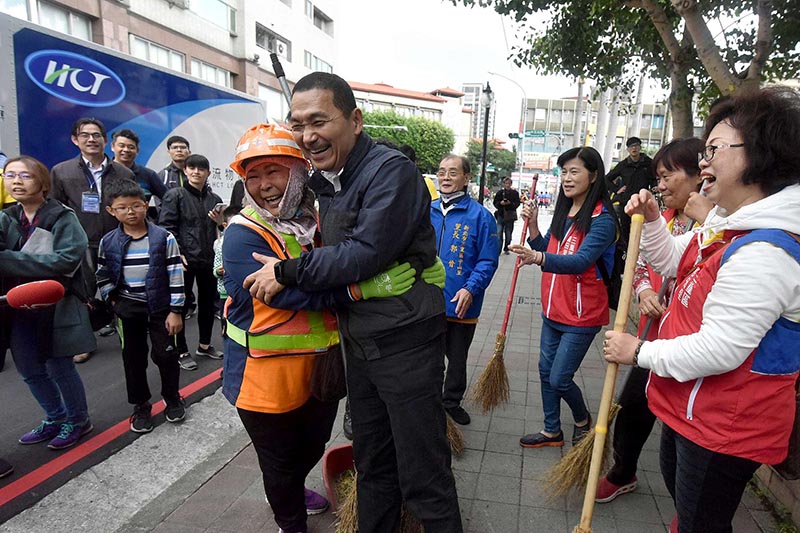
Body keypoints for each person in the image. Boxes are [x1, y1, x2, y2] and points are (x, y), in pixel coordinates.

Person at [241, 72, 462, 532]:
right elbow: (331, 252)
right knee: (372, 464)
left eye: (319, 121)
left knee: (424, 474)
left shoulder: (389, 171)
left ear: (355, 120)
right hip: (359, 344)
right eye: (297, 124)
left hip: (406, 346)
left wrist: (285, 271)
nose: (308, 135)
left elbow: (364, 253)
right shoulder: (325, 180)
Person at [603, 87, 800, 533]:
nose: (703, 162)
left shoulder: (766, 250)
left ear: (761, 154)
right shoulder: (726, 226)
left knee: (701, 523)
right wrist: (654, 218)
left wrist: (639, 352)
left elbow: (719, 350)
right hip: (690, 408)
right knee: (687, 509)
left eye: (714, 149)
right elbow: (674, 260)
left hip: (725, 428)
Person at [222, 123, 419, 533]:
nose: (263, 185)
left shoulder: (316, 220)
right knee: (277, 460)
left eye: (274, 171)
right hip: (263, 377)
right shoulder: (241, 236)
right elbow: (280, 295)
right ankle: (289, 520)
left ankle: (287, 488)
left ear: (298, 171)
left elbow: (343, 262)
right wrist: (358, 292)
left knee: (311, 447)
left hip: (322, 371)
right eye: (252, 176)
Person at [595, 137, 711, 503]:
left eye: (666, 176)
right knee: (634, 405)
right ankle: (622, 472)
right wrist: (645, 292)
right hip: (656, 334)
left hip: (695, 346)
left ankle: (690, 511)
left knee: (682, 438)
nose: (659, 185)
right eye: (657, 177)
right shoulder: (671, 220)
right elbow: (647, 261)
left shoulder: (718, 227)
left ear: (699, 176)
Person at [511, 146, 617, 449]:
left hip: (581, 315)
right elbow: (549, 248)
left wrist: (538, 257)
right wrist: (532, 227)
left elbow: (580, 261)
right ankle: (551, 430)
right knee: (545, 372)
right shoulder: (565, 210)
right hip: (552, 309)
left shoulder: (603, 220)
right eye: (563, 172)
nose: (566, 179)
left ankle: (583, 419)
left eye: (574, 171)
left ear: (593, 175)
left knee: (559, 378)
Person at [0, 156, 95, 449]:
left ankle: (78, 420)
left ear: (42, 183)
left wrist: (8, 260)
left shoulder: (61, 216)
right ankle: (55, 417)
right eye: (10, 175)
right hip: (17, 305)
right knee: (28, 367)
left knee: (59, 367)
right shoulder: (7, 217)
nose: (16, 181)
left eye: (25, 176)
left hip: (57, 304)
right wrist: (34, 264)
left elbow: (66, 260)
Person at [96, 180, 186, 433]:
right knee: (133, 359)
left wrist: (176, 310)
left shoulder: (163, 238)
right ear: (111, 211)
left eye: (136, 205)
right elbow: (102, 272)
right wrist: (112, 299)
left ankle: (172, 398)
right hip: (128, 308)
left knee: (166, 355)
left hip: (160, 308)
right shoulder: (109, 241)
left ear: (146, 206)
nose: (131, 212)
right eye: (122, 207)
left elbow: (175, 273)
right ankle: (141, 405)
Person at [50, 118, 136, 361]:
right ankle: (85, 340)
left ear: (105, 140)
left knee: (122, 288)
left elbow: (130, 206)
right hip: (81, 242)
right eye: (85, 135)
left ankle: (127, 334)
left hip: (117, 240)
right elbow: (56, 209)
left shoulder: (123, 172)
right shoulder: (62, 171)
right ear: (75, 140)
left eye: (96, 135)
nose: (91, 139)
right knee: (84, 292)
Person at [431, 154, 499, 425]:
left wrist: (470, 289)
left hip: (461, 302)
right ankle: (430, 402)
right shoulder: (427, 210)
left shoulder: (481, 217)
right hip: (427, 302)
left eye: (453, 172)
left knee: (457, 358)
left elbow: (487, 260)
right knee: (428, 359)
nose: (446, 178)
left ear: (466, 177)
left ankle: (451, 402)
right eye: (442, 171)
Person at [159, 154, 223, 371]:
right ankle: (181, 350)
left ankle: (204, 345)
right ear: (185, 171)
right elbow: (166, 227)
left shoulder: (214, 199)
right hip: (184, 261)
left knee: (207, 304)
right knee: (181, 307)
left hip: (208, 260)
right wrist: (178, 252)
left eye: (201, 169)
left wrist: (221, 223)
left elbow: (222, 229)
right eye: (192, 168)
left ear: (207, 172)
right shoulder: (174, 195)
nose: (196, 172)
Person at [605, 136, 655, 248]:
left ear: (640, 147)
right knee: (625, 229)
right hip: (626, 202)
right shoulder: (623, 165)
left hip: (644, 201)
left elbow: (655, 178)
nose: (634, 149)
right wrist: (616, 190)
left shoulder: (648, 163)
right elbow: (606, 179)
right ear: (628, 149)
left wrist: (654, 188)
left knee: (645, 229)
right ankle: (625, 253)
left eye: (636, 146)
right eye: (631, 146)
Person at [110, 129, 167, 206]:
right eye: (122, 146)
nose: (126, 150)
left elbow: (167, 199)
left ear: (137, 151)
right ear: (112, 147)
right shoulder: (104, 171)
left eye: (131, 147)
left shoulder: (149, 174)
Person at [213, 205, 241, 334]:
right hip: (225, 292)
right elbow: (215, 268)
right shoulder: (221, 244)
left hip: (241, 291)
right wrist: (219, 271)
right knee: (226, 323)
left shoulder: (244, 241)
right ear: (225, 225)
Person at [493, 177, 521, 254]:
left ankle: (506, 248)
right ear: (504, 184)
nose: (507, 185)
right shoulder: (500, 193)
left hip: (510, 216)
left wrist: (510, 204)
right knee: (499, 233)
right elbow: (495, 203)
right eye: (506, 183)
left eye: (509, 183)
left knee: (508, 234)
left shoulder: (515, 193)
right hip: (501, 215)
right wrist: (500, 204)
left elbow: (517, 203)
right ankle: (498, 249)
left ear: (511, 184)